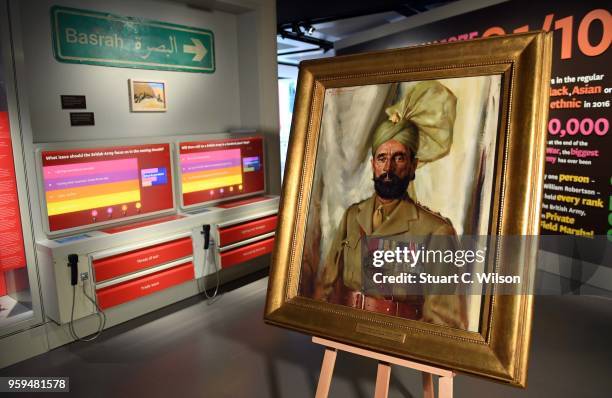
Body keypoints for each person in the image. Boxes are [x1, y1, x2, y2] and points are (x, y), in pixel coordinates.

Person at [313, 81, 467, 329]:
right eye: (382, 158)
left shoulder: (435, 231)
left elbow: (444, 318)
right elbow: (327, 284)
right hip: (350, 327)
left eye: (399, 158)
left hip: (397, 335)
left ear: (413, 166)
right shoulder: (353, 216)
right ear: (373, 164)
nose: (389, 169)